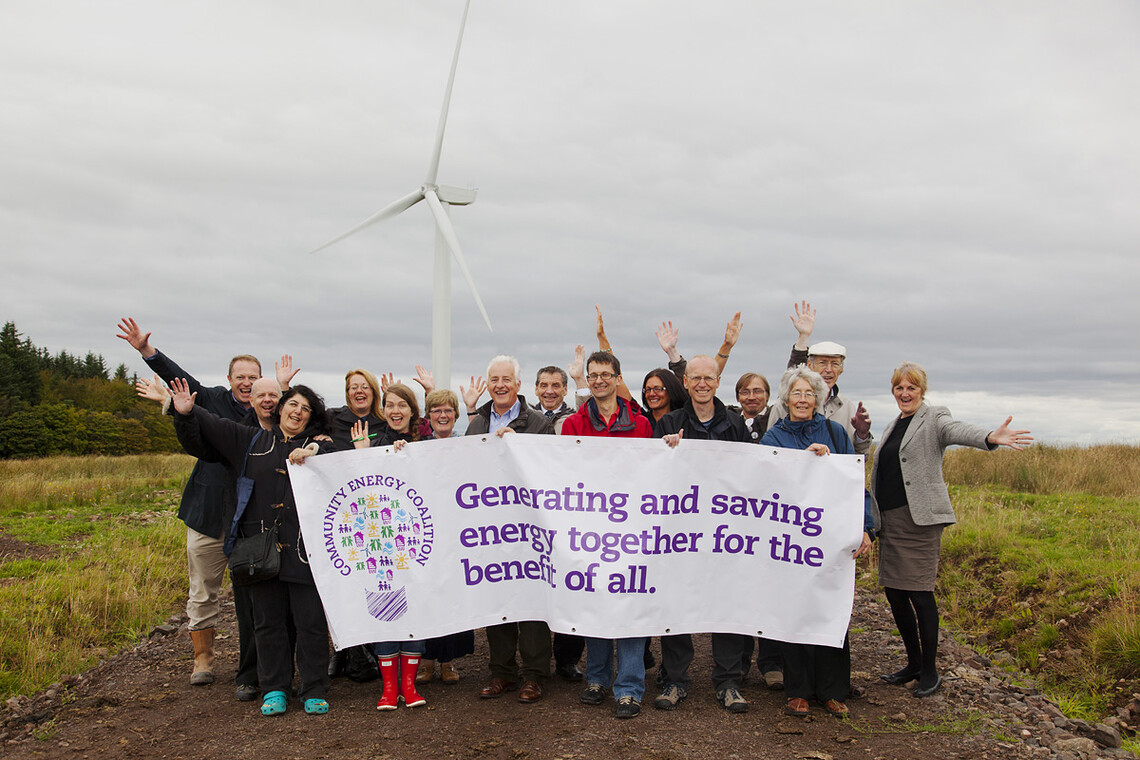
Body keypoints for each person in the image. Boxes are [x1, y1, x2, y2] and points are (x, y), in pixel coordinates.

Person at [115, 317, 294, 693]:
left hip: (251, 519)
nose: (247, 383)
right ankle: (203, 659)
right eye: (241, 377)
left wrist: (284, 387)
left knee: (253, 595)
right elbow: (182, 384)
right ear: (229, 380)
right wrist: (148, 352)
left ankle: (258, 669)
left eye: (254, 378)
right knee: (203, 590)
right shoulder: (211, 400)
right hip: (209, 512)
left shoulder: (270, 413)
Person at [170, 380, 335, 716]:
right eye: (293, 404)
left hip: (306, 550)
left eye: (305, 408)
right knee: (267, 621)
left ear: (310, 417)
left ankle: (314, 688)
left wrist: (314, 451)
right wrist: (186, 413)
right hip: (258, 549)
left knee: (311, 622)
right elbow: (213, 427)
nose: (297, 411)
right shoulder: (251, 440)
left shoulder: (320, 446)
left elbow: (341, 452)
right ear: (281, 408)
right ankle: (274, 688)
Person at [871, 362, 1032, 698]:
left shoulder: (934, 418)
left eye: (911, 388)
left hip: (920, 521)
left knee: (919, 593)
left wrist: (990, 437)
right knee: (895, 594)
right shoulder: (893, 424)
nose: (904, 393)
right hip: (891, 522)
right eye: (899, 387)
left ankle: (930, 671)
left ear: (922, 390)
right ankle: (913, 664)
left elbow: (956, 430)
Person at [761, 365, 874, 719]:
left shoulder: (837, 433)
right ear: (786, 398)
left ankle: (832, 689)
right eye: (797, 393)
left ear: (819, 399)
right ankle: (799, 691)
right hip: (790, 538)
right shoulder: (773, 438)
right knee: (795, 610)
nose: (803, 399)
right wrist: (803, 464)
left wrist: (865, 527)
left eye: (810, 394)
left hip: (832, 536)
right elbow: (764, 483)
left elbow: (854, 482)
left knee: (831, 608)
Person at [656, 355, 752, 714]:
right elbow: (652, 475)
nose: (701, 383)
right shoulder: (669, 422)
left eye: (707, 377)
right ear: (685, 382)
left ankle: (728, 682)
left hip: (725, 533)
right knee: (676, 601)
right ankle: (676, 680)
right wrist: (665, 450)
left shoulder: (736, 423)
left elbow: (754, 472)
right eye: (694, 377)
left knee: (726, 602)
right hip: (680, 535)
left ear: (717, 381)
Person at [561, 351, 653, 719]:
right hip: (588, 527)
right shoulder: (573, 424)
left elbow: (652, 470)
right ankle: (597, 678)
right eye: (593, 374)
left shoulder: (642, 424)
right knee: (595, 601)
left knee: (629, 602)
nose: (599, 380)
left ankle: (629, 687)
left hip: (630, 527)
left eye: (605, 374)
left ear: (618, 377)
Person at [465, 355, 555, 703]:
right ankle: (501, 671)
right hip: (490, 528)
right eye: (494, 379)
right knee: (498, 599)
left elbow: (547, 469)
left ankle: (534, 675)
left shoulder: (537, 423)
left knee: (531, 602)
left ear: (518, 385)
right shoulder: (478, 423)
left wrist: (519, 446)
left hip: (528, 527)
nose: (500, 385)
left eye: (506, 379)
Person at [414, 389, 476, 687]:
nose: (442, 415)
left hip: (457, 531)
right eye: (436, 410)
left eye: (448, 410)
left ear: (456, 414)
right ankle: (425, 660)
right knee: (427, 595)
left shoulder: (467, 446)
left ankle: (448, 660)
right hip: (425, 532)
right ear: (429, 416)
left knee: (453, 595)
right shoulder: (417, 448)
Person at [773, 302, 872, 454]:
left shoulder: (848, 408)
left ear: (841, 369)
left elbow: (857, 460)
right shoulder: (785, 405)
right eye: (822, 363)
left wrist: (862, 435)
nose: (829, 370)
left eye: (835, 364)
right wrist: (803, 338)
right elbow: (770, 453)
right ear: (809, 365)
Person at [327, 369, 384, 450]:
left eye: (365, 387)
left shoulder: (385, 421)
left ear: (374, 392)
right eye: (354, 388)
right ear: (348, 393)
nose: (359, 391)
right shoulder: (332, 418)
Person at [532, 365, 578, 434]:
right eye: (544, 385)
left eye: (555, 386)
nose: (549, 391)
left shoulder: (575, 420)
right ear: (536, 389)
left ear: (565, 390)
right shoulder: (526, 419)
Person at [735, 372, 772, 442]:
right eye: (745, 392)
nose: (751, 397)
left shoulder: (777, 419)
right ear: (738, 397)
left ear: (767, 396)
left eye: (757, 391)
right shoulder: (729, 419)